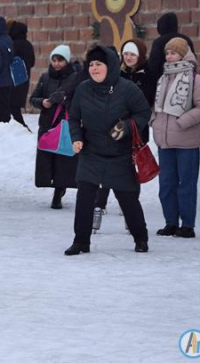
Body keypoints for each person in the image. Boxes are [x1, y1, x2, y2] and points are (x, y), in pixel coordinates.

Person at [66, 45, 151, 255]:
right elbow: (74, 117)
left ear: (110, 66)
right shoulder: (83, 89)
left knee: (128, 198)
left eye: (99, 64)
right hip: (91, 152)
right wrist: (76, 138)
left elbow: (143, 112)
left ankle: (141, 238)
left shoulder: (127, 89)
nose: (94, 68)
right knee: (85, 196)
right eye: (91, 64)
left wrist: (128, 126)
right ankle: (81, 241)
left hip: (119, 154)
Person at [151, 38, 200, 239]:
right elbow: (157, 106)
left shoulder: (195, 79)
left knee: (186, 184)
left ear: (184, 54)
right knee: (166, 184)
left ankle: (187, 225)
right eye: (167, 53)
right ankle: (170, 222)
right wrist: (154, 120)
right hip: (164, 140)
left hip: (186, 140)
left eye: (173, 53)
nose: (169, 56)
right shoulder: (163, 78)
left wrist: (182, 121)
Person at [92, 39, 153, 230]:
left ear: (140, 56)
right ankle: (98, 209)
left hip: (135, 131)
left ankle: (130, 213)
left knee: (130, 175)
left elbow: (144, 103)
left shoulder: (148, 76)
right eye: (126, 54)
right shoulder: (116, 74)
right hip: (114, 130)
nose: (128, 58)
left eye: (132, 54)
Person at [29, 45, 79, 210]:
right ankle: (53, 186)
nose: (57, 64)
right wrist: (43, 102)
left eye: (61, 60)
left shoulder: (75, 78)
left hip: (64, 123)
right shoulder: (45, 77)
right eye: (54, 60)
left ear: (67, 60)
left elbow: (79, 101)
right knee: (47, 159)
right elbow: (33, 98)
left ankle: (59, 191)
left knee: (63, 160)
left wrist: (64, 100)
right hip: (47, 124)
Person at [147, 12, 195, 94]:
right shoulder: (186, 40)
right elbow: (192, 61)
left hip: (164, 81)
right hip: (186, 81)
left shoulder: (159, 42)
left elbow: (153, 67)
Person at [0, 16, 21, 128]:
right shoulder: (8, 40)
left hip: (1, 80)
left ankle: (3, 128)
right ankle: (3, 126)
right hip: (8, 79)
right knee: (2, 105)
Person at [6, 20, 36, 131]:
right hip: (24, 79)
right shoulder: (28, 45)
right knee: (15, 106)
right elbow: (32, 62)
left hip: (12, 80)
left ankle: (23, 128)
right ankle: (19, 128)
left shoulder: (12, 45)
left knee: (12, 106)